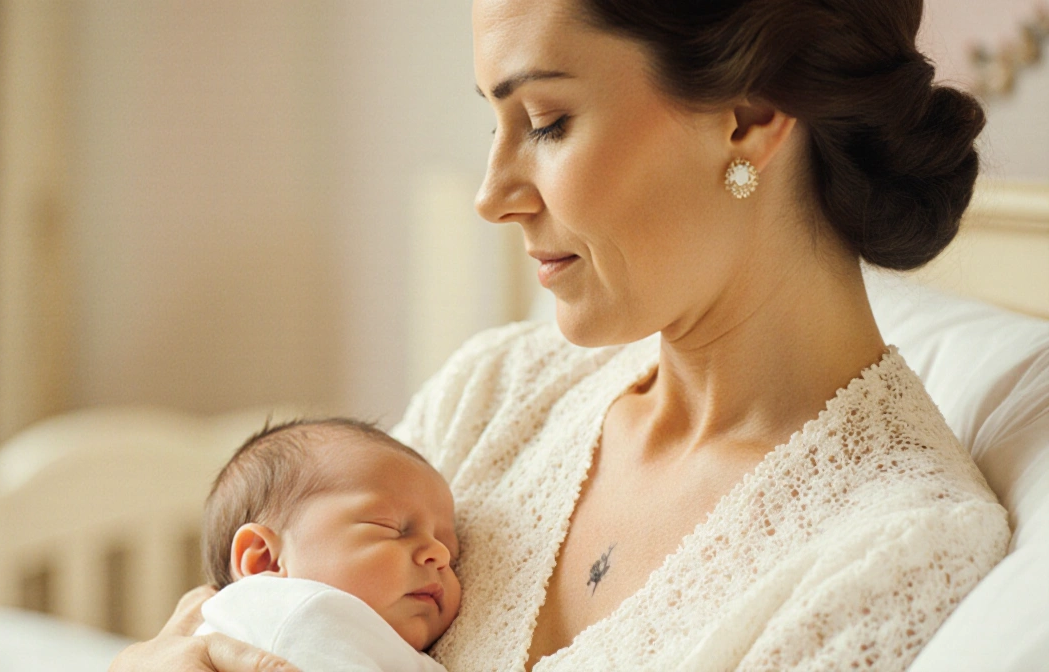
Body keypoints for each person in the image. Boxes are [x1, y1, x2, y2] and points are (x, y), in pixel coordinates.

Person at [110, 0, 1011, 669]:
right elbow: (244, 609)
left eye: (545, 122)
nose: (491, 193)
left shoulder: (891, 551)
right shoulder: (497, 391)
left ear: (749, 115)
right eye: (495, 123)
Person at [193, 418, 460, 671]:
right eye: (390, 528)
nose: (440, 554)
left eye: (449, 546)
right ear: (265, 560)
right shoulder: (297, 615)